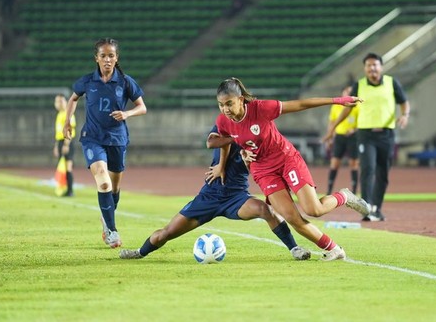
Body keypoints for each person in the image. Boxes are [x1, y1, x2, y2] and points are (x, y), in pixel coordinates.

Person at [213, 77, 371, 261]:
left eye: (229, 104)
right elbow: (224, 140)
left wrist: (337, 100)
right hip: (263, 171)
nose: (225, 109)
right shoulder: (223, 120)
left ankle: (345, 196)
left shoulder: (261, 108)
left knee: (314, 210)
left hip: (286, 159)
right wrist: (223, 163)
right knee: (291, 216)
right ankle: (335, 249)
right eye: (221, 105)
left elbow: (301, 104)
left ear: (241, 100)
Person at [119, 126, 311, 261]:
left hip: (236, 197)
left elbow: (260, 165)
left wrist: (248, 159)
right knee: (166, 233)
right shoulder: (223, 126)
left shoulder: (256, 137)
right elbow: (212, 142)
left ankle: (294, 248)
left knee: (265, 210)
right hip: (209, 197)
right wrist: (222, 164)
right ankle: (139, 252)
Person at [62, 38, 147, 249]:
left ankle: (106, 216)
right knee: (104, 182)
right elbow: (73, 98)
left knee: (115, 187)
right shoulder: (87, 81)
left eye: (111, 56)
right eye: (103, 56)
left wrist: (127, 113)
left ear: (116, 58)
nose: (107, 60)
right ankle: (112, 232)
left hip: (117, 139)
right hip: (92, 137)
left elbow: (142, 107)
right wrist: (67, 122)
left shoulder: (126, 82)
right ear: (96, 58)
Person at [323, 53, 410, 222]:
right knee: (368, 168)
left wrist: (405, 114)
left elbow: (404, 101)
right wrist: (333, 128)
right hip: (365, 134)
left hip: (386, 134)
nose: (372, 68)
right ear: (365, 69)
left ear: (381, 67)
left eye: (375, 65)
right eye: (368, 66)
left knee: (383, 172)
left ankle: (377, 208)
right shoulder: (359, 85)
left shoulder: (392, 83)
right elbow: (347, 108)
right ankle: (367, 208)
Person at [323, 85, 359, 195]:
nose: (348, 93)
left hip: (353, 137)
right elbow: (332, 122)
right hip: (339, 137)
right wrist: (329, 137)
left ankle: (354, 191)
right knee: (334, 164)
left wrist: (354, 130)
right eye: (346, 91)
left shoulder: (357, 106)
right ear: (342, 93)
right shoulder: (336, 107)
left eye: (350, 91)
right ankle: (329, 190)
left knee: (354, 164)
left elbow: (362, 123)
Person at [53, 93, 76, 197]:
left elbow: (70, 130)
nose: (59, 103)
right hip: (60, 142)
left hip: (67, 142)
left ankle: (70, 190)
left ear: (66, 102)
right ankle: (64, 188)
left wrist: (66, 145)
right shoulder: (59, 114)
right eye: (57, 101)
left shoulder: (68, 113)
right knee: (62, 166)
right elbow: (58, 132)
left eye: (61, 101)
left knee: (68, 167)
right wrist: (56, 146)